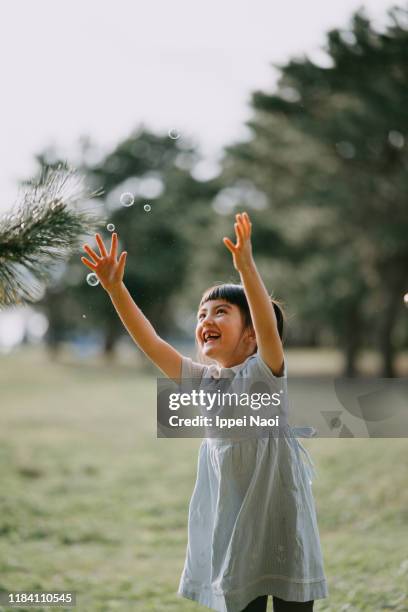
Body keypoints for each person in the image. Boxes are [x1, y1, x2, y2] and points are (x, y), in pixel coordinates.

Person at [81, 211, 329, 612]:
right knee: (239, 594)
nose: (206, 320)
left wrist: (246, 267)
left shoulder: (264, 372)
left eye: (221, 312)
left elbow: (268, 326)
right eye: (201, 314)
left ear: (250, 336)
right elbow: (151, 342)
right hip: (231, 516)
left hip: (278, 507)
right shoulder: (202, 380)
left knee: (292, 595)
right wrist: (115, 289)